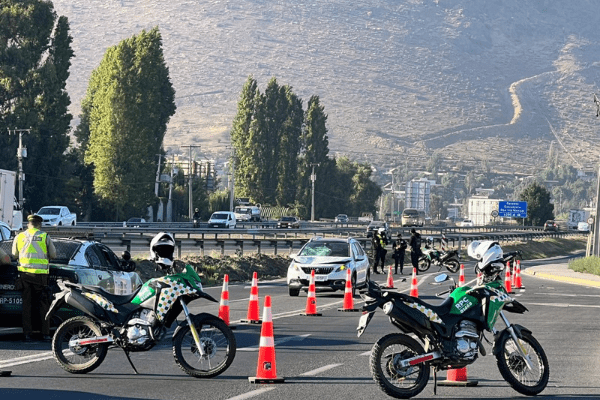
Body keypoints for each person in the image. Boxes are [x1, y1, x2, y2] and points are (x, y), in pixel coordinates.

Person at [12, 214, 56, 342]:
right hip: (41, 276)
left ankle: (27, 334)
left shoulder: (19, 236)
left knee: (27, 305)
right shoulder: (44, 236)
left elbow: (14, 254)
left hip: (25, 275)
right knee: (43, 305)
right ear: (39, 224)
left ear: (28, 224)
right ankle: (46, 334)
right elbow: (53, 254)